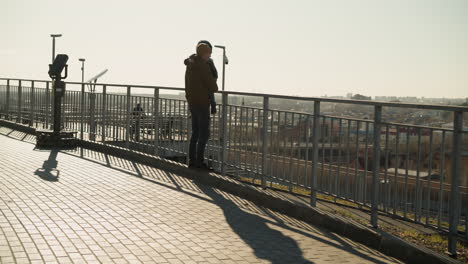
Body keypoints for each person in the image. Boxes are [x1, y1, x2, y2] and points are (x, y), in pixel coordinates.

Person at [185, 42, 218, 169]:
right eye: (209, 53)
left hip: (192, 102)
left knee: (195, 132)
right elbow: (213, 87)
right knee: (204, 134)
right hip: (203, 103)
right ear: (204, 53)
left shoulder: (190, 65)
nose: (210, 56)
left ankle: (192, 161)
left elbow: (187, 84)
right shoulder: (203, 66)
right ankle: (200, 162)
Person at [184, 40, 218, 115]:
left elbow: (187, 81)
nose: (210, 55)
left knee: (196, 124)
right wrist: (213, 104)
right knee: (203, 124)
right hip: (203, 99)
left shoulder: (191, 62)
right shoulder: (206, 63)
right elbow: (213, 80)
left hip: (192, 100)